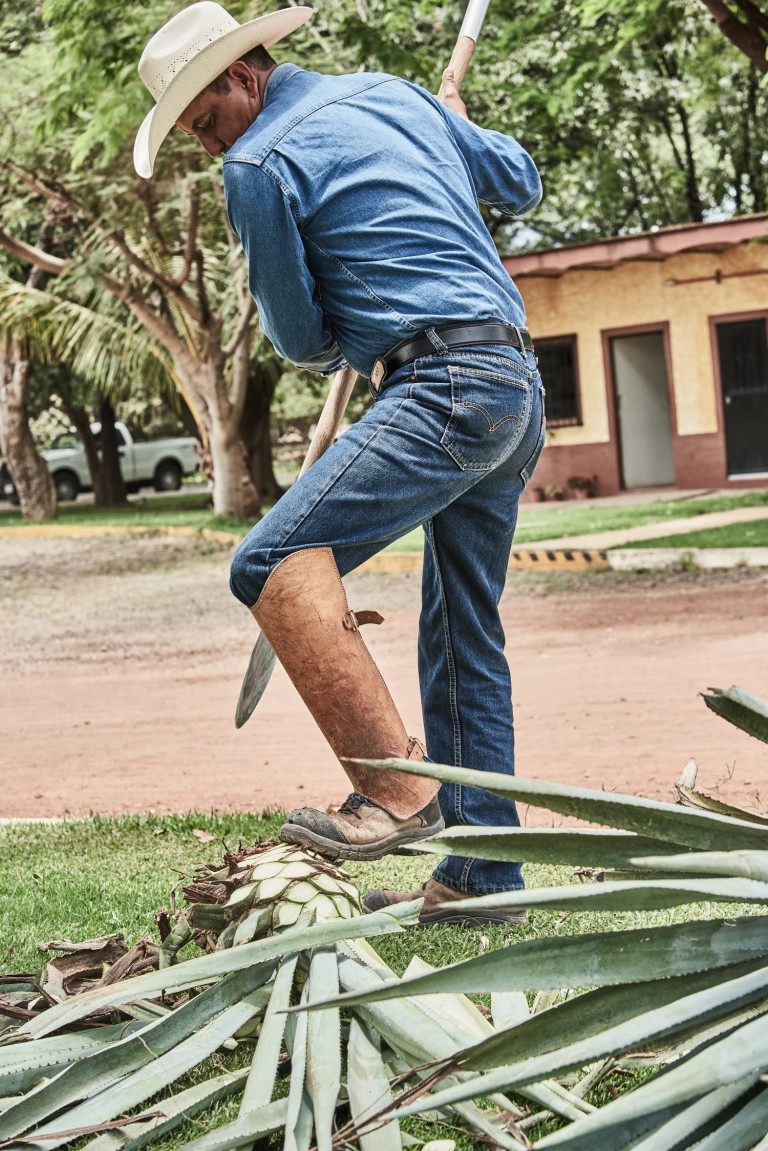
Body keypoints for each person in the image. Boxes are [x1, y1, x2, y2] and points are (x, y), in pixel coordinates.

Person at [135, 1, 546, 926]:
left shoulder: (258, 163)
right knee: (461, 636)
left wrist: (343, 338)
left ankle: (399, 793)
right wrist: (451, 123)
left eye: (204, 121)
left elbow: (302, 336)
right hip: (512, 386)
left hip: (441, 387)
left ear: (244, 76)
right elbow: (518, 182)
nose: (209, 147)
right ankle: (484, 879)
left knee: (267, 561)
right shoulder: (393, 95)